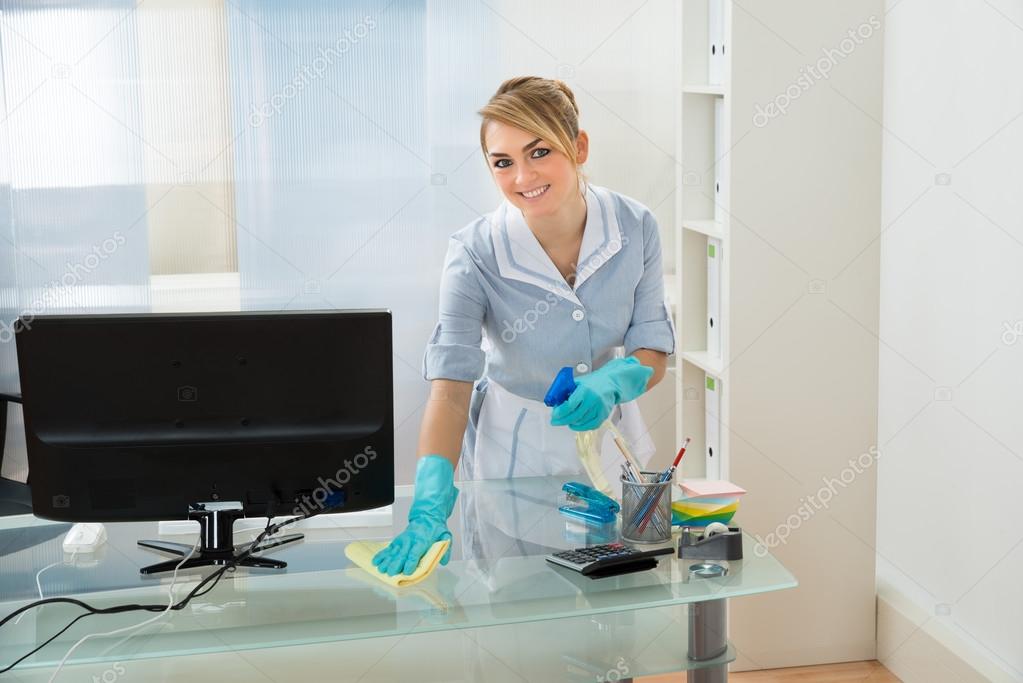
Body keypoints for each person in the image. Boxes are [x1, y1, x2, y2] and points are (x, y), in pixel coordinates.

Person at [373, 76, 676, 577]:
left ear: (578, 147)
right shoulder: (475, 252)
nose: (522, 176)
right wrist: (429, 503)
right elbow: (450, 390)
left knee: (616, 616)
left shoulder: (635, 225)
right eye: (503, 162)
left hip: (612, 449)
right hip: (514, 462)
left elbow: (652, 347)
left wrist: (612, 381)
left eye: (539, 152)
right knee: (520, 616)